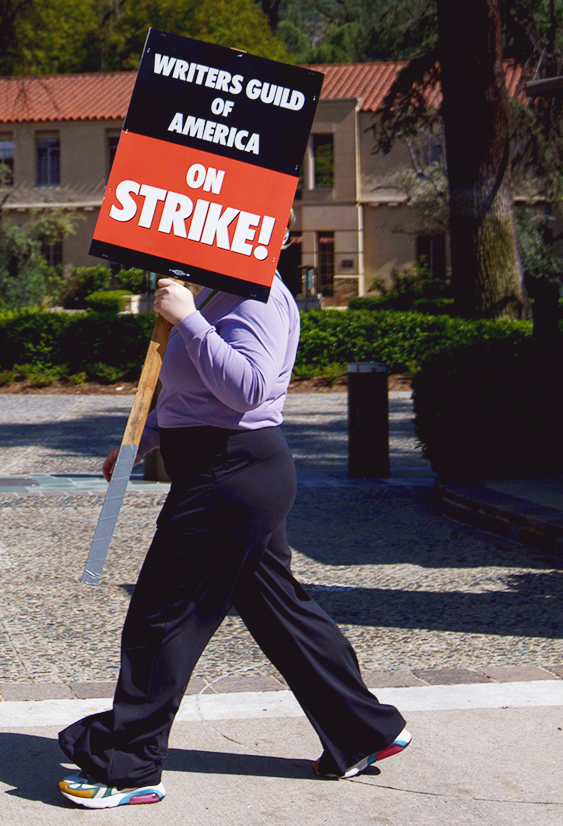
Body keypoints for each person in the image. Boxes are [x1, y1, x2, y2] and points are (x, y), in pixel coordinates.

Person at [56, 276, 411, 809]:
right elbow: (195, 399)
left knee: (161, 617)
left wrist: (189, 321)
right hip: (228, 470)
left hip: (230, 473)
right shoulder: (218, 292)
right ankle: (364, 728)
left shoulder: (257, 297)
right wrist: (141, 438)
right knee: (280, 611)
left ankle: (129, 768)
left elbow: (249, 389)